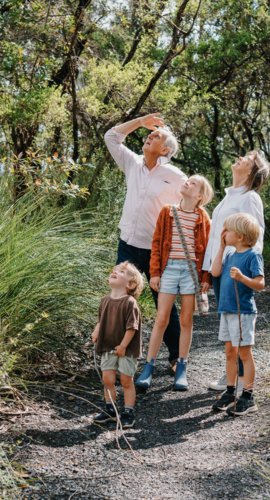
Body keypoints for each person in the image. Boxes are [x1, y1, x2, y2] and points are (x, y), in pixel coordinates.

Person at [104, 114, 187, 373]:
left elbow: (192, 203)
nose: (149, 135)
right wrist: (140, 122)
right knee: (120, 300)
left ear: (165, 150)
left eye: (157, 136)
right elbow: (112, 137)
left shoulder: (174, 176)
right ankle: (119, 355)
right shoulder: (133, 163)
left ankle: (176, 358)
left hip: (156, 251)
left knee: (164, 303)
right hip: (127, 244)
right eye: (150, 133)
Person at [135, 175, 213, 391]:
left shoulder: (203, 217)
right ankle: (148, 367)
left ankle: (181, 368)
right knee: (162, 318)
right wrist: (155, 273)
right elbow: (157, 242)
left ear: (200, 196)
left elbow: (207, 250)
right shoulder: (168, 211)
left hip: (191, 272)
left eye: (194, 182)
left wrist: (206, 277)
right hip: (168, 269)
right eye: (188, 179)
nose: (187, 182)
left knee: (187, 320)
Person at [202, 151, 270, 392]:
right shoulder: (229, 197)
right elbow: (215, 238)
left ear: (253, 171)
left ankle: (241, 382)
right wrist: (208, 270)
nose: (241, 157)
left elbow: (255, 237)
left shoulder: (250, 197)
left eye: (248, 158)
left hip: (235, 270)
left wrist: (244, 269)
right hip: (220, 267)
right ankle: (233, 378)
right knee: (228, 326)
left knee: (237, 327)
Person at [211, 213, 265, 415]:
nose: (224, 233)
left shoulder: (252, 256)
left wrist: (242, 278)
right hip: (227, 311)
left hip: (242, 313)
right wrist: (222, 246)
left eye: (228, 231)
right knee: (230, 353)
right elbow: (215, 272)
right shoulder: (230, 254)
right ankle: (231, 391)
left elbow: (260, 284)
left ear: (240, 237)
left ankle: (249, 396)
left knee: (244, 353)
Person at [92, 261, 144, 428]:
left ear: (130, 284)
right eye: (115, 270)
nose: (115, 272)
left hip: (126, 349)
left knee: (126, 381)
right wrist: (96, 330)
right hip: (107, 345)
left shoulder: (129, 303)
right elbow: (101, 320)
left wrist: (123, 345)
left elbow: (132, 327)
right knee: (108, 379)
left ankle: (128, 411)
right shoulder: (104, 300)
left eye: (121, 271)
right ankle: (110, 409)